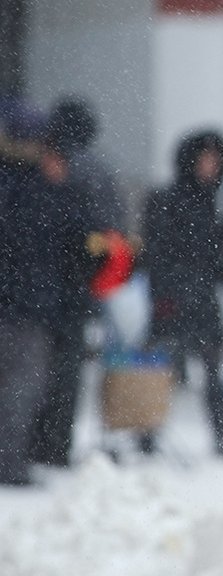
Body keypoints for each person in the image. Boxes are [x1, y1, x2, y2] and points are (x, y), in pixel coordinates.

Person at [29, 97, 126, 467]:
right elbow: (111, 231)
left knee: (36, 371)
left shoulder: (45, 167)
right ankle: (56, 446)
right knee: (66, 373)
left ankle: (32, 444)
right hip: (80, 288)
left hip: (41, 287)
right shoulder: (97, 170)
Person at [1, 132, 100, 485]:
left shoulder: (22, 193)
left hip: (28, 308)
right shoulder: (34, 199)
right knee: (23, 388)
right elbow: (39, 259)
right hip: (24, 310)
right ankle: (10, 465)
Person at [142, 130, 223, 457]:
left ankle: (221, 437)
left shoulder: (212, 205)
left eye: (215, 161)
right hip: (171, 298)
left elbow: (218, 257)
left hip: (203, 298)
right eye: (204, 159)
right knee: (159, 369)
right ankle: (147, 433)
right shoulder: (166, 200)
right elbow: (157, 253)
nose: (209, 166)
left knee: (212, 371)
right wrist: (167, 293)